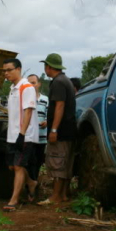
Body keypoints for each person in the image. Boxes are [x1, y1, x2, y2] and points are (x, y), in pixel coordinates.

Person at [38, 53, 76, 205]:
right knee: (65, 162)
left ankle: (55, 197)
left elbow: (59, 106)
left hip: (61, 131)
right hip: (68, 129)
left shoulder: (58, 82)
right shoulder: (65, 80)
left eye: (45, 66)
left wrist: (54, 130)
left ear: (49, 67)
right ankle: (64, 195)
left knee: (57, 162)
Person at [2, 58, 39, 211]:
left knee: (18, 166)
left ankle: (14, 200)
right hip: (12, 134)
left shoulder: (26, 88)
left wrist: (22, 134)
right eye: (4, 71)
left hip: (24, 134)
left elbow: (28, 110)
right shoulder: (13, 88)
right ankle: (31, 182)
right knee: (12, 166)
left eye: (9, 70)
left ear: (18, 69)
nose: (6, 73)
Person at [27, 74, 48, 188]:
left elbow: (48, 115)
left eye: (33, 83)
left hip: (41, 137)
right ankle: (31, 185)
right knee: (29, 162)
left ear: (39, 84)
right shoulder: (25, 100)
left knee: (38, 162)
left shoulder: (45, 100)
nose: (31, 85)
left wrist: (46, 121)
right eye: (29, 83)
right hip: (29, 137)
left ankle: (34, 185)